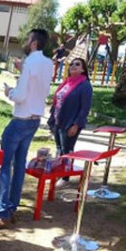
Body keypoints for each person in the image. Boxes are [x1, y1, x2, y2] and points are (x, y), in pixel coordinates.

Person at [0, 28, 54, 229]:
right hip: (34, 118)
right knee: (19, 164)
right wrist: (22, 71)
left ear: (33, 42)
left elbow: (20, 95)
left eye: (28, 39)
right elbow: (36, 85)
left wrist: (9, 91)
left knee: (5, 165)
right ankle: (11, 207)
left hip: (21, 117)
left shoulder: (30, 62)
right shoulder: (48, 63)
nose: (26, 42)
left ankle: (2, 212)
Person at [48, 58, 92, 186]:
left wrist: (76, 124)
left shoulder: (85, 85)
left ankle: (65, 176)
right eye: (71, 64)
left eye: (77, 64)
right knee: (59, 148)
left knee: (67, 149)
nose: (73, 66)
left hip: (71, 123)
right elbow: (57, 102)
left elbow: (85, 108)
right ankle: (59, 172)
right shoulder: (66, 82)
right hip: (58, 120)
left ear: (83, 69)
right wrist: (52, 120)